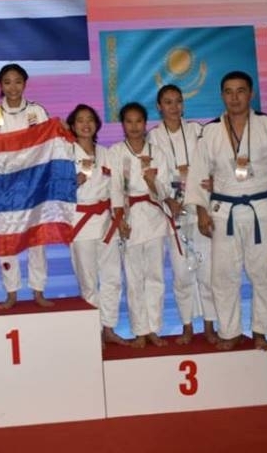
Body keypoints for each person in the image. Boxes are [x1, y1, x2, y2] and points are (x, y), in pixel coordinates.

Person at [186, 71, 267, 351]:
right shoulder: (210, 131)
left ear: (251, 94)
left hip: (259, 210)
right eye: (229, 92)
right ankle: (230, 331)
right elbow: (198, 172)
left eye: (240, 91)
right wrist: (201, 211)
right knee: (223, 275)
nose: (234, 97)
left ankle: (261, 331)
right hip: (223, 211)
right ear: (222, 96)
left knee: (264, 273)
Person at [147, 84, 217, 345]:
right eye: (168, 102)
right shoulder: (153, 137)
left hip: (200, 210)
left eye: (178, 101)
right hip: (172, 212)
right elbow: (152, 176)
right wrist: (168, 200)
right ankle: (187, 326)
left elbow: (212, 163)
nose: (174, 107)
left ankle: (209, 325)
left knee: (207, 272)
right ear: (159, 106)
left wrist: (213, 181)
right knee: (181, 274)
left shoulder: (197, 130)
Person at [0, 63, 53, 309]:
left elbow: (49, 144)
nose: (12, 87)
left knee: (37, 242)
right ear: (0, 85)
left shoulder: (37, 111)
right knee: (7, 240)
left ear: (25, 83)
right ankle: (11, 292)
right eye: (7, 82)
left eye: (17, 81)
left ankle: (38, 290)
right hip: (5, 186)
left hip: (34, 184)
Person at [109, 102, 172, 348]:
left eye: (138, 121)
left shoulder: (157, 152)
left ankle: (154, 328)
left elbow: (165, 190)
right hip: (130, 218)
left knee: (155, 276)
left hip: (154, 217)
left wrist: (152, 181)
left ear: (145, 123)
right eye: (129, 121)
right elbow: (115, 188)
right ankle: (140, 331)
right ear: (123, 125)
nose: (134, 126)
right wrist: (119, 219)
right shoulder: (116, 152)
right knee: (134, 278)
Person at [67, 104, 128, 347]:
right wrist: (75, 181)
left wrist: (119, 217)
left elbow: (116, 187)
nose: (86, 124)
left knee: (112, 277)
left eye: (90, 119)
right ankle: (94, 332)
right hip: (80, 221)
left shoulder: (106, 153)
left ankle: (109, 327)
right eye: (80, 120)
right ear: (73, 126)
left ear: (97, 124)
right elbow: (54, 188)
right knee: (88, 281)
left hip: (106, 222)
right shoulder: (65, 152)